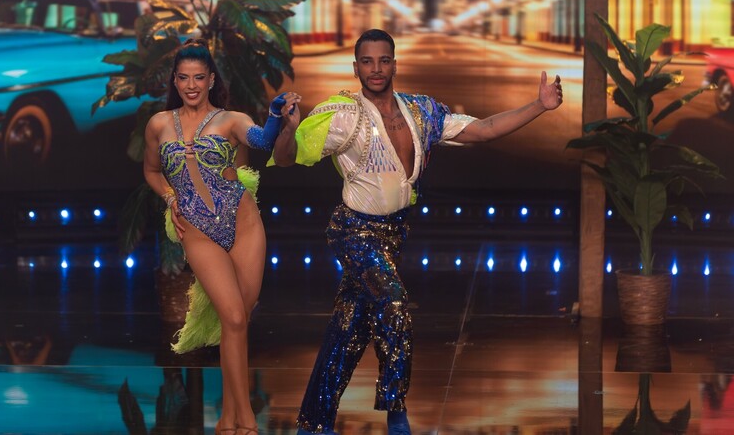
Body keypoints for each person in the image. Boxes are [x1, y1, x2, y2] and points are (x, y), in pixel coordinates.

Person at [270, 29, 563, 435]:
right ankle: (396, 412)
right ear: (356, 68)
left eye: (383, 60)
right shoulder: (342, 115)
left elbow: (484, 128)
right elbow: (286, 158)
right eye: (367, 62)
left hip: (393, 234)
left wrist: (539, 106)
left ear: (395, 64)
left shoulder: (421, 112)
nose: (376, 69)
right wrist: (288, 129)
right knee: (393, 305)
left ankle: (313, 424)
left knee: (350, 326)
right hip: (354, 232)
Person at [143, 39, 300, 435]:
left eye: (199, 77)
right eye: (184, 78)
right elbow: (151, 171)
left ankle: (229, 421)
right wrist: (170, 197)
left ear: (211, 79)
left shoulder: (231, 119)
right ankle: (245, 420)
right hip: (197, 231)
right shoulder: (159, 124)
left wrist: (276, 115)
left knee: (238, 322)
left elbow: (261, 141)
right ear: (174, 81)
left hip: (244, 224)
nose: (191, 85)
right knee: (232, 316)